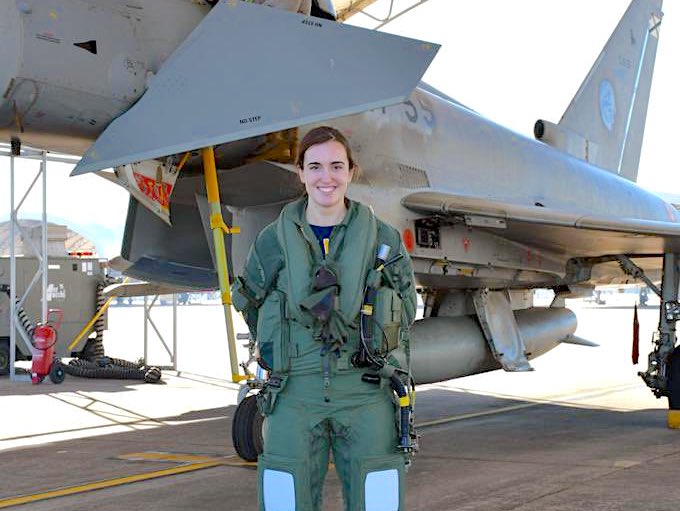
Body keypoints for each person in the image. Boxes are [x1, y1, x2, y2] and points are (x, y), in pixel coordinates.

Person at [233, 126, 417, 511]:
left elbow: (405, 308)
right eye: (315, 166)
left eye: (336, 166)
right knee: (285, 499)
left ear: (351, 171)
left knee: (377, 501)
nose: (326, 177)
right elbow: (249, 301)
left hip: (366, 391)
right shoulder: (273, 241)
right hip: (295, 393)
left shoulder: (383, 240)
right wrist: (286, 351)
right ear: (300, 172)